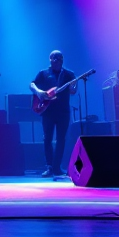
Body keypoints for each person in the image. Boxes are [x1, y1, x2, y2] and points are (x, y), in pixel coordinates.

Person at [30, 50, 76, 178]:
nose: (57, 62)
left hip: (63, 112)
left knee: (61, 139)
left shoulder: (68, 74)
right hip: (48, 111)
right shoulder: (43, 73)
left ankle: (57, 167)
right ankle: (49, 167)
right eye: (54, 59)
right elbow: (31, 84)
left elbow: (73, 91)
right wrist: (39, 92)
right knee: (47, 138)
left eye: (59, 59)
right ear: (50, 60)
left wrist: (73, 86)